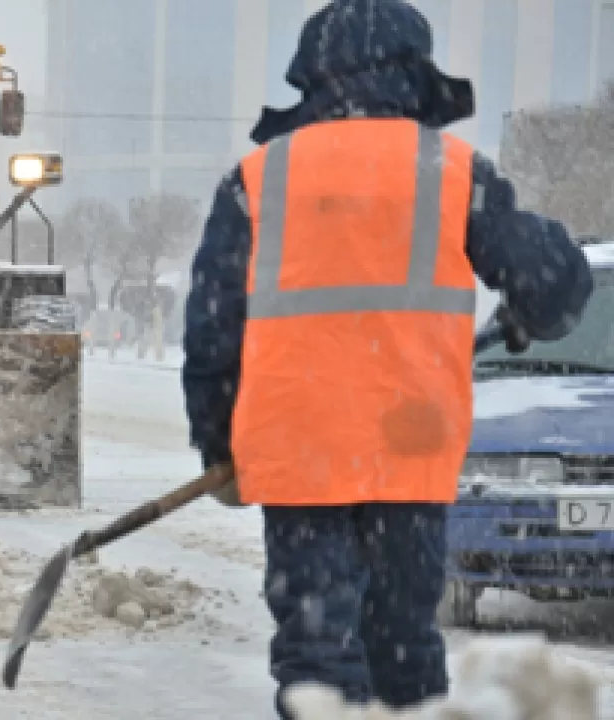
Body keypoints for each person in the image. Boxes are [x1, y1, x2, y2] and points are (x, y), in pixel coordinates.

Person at [180, 1, 593, 717]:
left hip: (299, 447)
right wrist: (532, 307)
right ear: (415, 72)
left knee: (318, 653)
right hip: (409, 445)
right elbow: (551, 288)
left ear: (312, 74)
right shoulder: (451, 170)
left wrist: (219, 443)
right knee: (402, 642)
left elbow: (213, 335)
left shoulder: (260, 177)